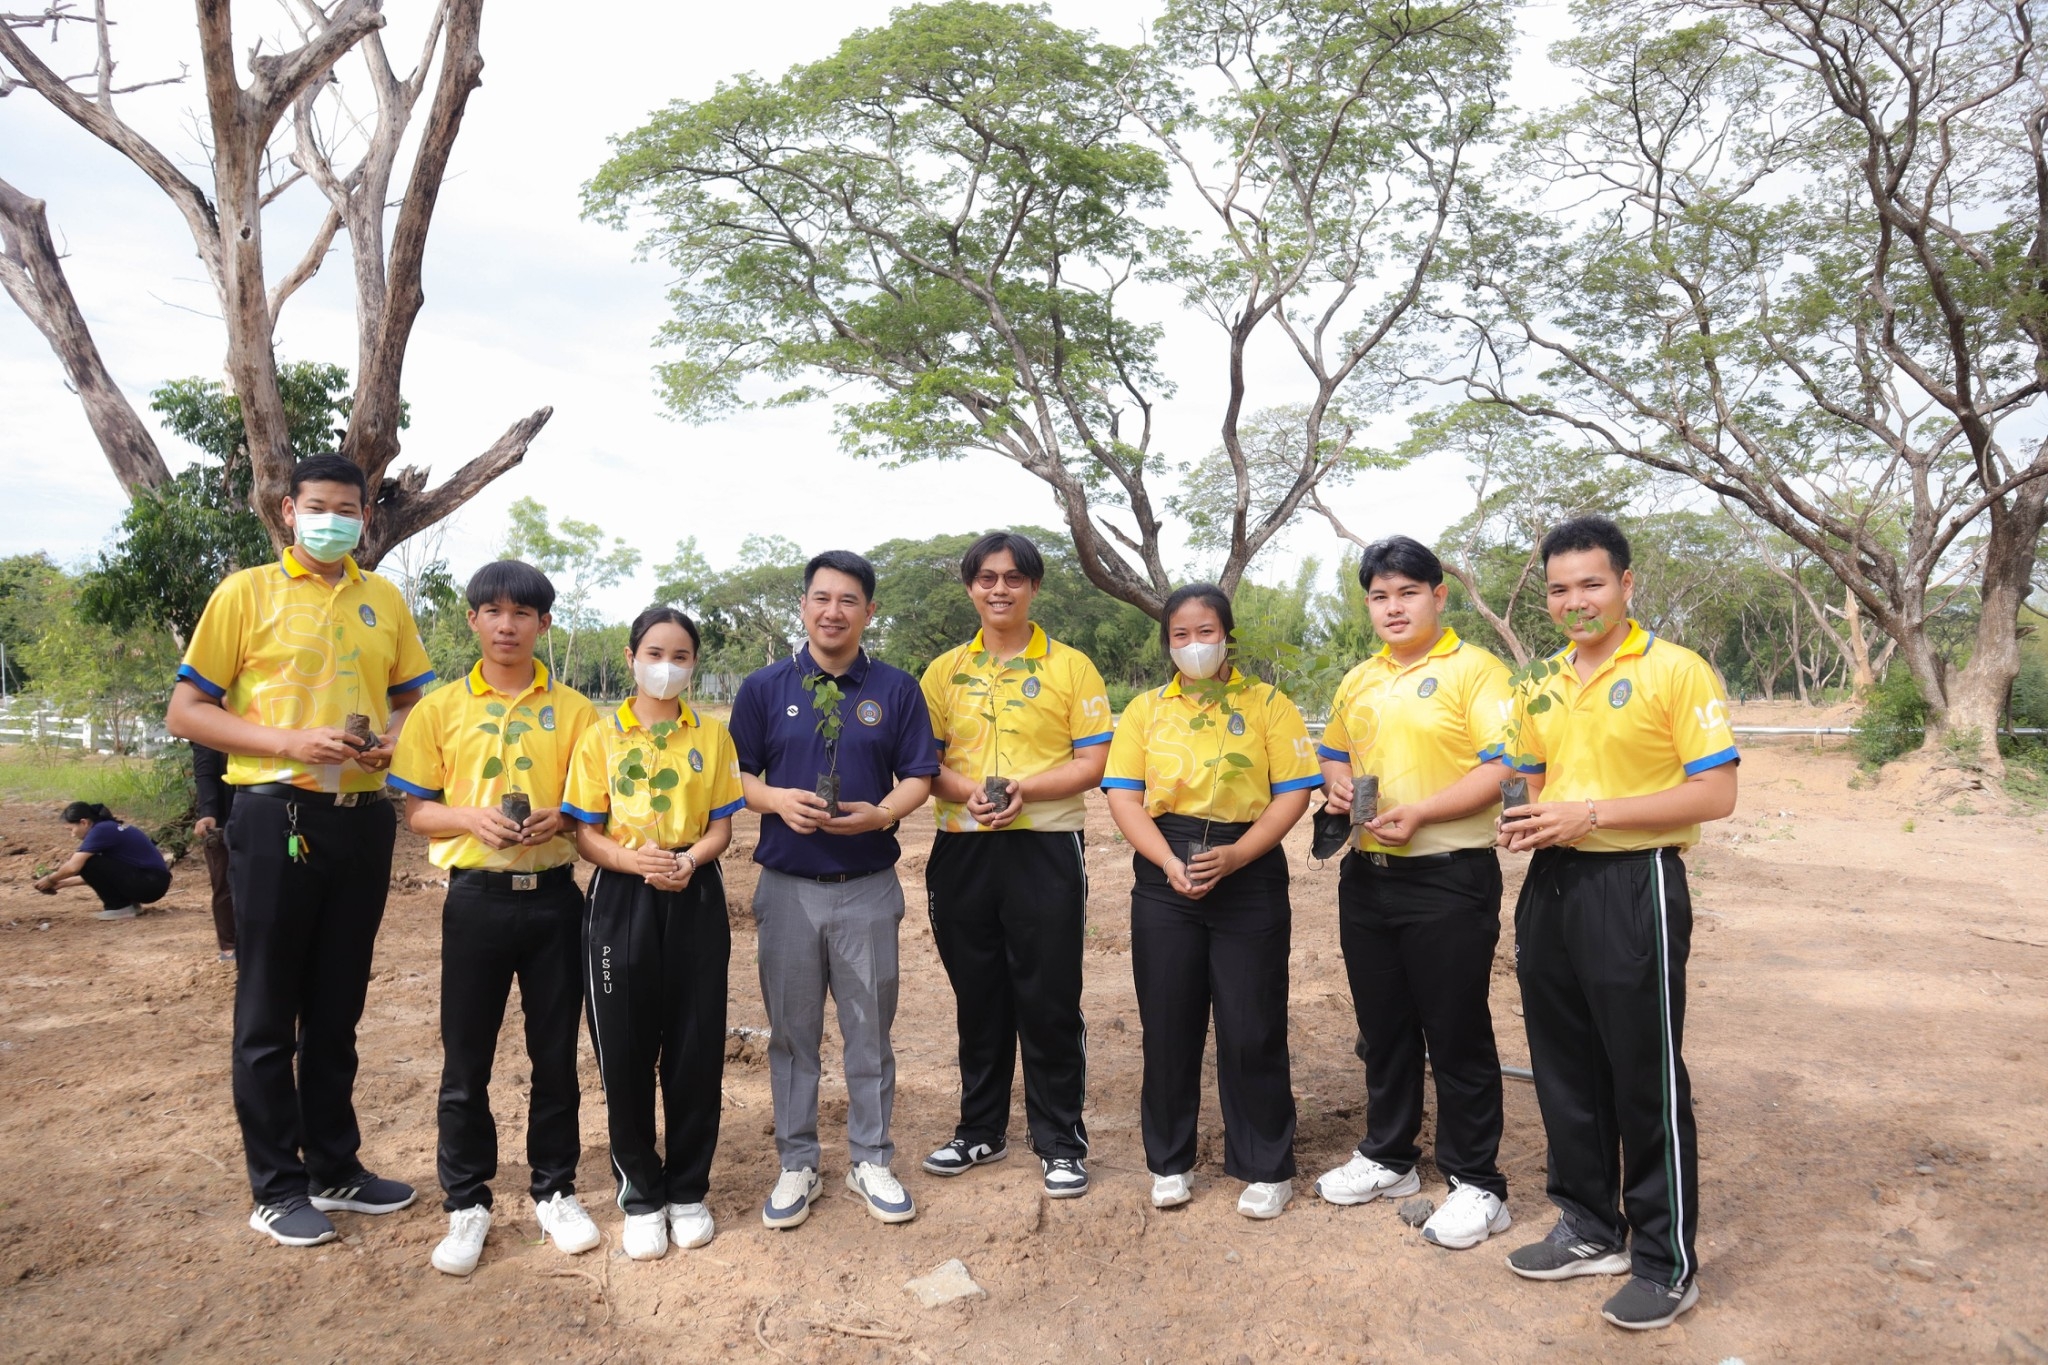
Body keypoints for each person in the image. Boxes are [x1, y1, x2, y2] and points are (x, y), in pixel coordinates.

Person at [164, 453, 435, 1249]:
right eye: (317, 505)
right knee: (267, 1009)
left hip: (361, 820)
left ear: (366, 517)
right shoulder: (244, 593)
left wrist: (394, 738)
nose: (332, 518)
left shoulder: (383, 598)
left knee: (338, 1005)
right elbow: (187, 709)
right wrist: (286, 741)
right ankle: (277, 1186)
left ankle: (335, 1168)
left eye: (347, 507)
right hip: (275, 815)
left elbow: (413, 696)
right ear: (288, 510)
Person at [1497, 515, 1738, 1332]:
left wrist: (1592, 812)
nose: (1576, 601)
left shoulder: (1676, 670)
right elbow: (1527, 779)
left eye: (1591, 583)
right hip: (1551, 882)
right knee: (1563, 1064)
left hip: (1634, 878)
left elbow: (1715, 793)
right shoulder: (1540, 682)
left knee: (1645, 1073)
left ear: (1627, 585)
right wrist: (1523, 817)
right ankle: (1589, 1225)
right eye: (1560, 588)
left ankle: (1666, 1262)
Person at [387, 561, 602, 1277]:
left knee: (555, 1056)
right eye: (494, 611)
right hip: (474, 899)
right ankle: (467, 1201)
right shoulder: (440, 708)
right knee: (465, 1059)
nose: (507, 624)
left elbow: (590, 807)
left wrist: (561, 819)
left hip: (553, 899)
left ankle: (556, 1188)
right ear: (473, 620)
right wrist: (470, 816)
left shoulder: (574, 711)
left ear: (545, 623)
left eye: (523, 613)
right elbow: (418, 808)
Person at [1313, 536, 1517, 1250]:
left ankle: (1477, 1182)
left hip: (1448, 876)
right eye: (1379, 595)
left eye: (1407, 592)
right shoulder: (1360, 677)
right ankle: (1389, 1155)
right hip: (1367, 877)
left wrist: (1426, 810)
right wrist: (1334, 780)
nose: (1393, 607)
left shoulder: (1476, 671)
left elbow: (1504, 765)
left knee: (1456, 1029)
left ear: (1439, 594)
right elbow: (1333, 745)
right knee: (1386, 1027)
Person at [729, 550, 938, 1230]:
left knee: (869, 1032)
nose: (833, 610)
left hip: (868, 886)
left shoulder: (898, 689)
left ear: (869, 611)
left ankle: (871, 1156)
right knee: (792, 1034)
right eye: (821, 597)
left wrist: (885, 812)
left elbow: (918, 774)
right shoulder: (764, 686)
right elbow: (737, 775)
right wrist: (775, 802)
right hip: (787, 888)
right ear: (803, 605)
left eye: (849, 599)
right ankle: (797, 1162)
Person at [1102, 583, 1320, 1219]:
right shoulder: (1145, 710)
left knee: (1251, 1021)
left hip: (1246, 866)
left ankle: (1265, 1163)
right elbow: (1123, 796)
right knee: (1167, 1021)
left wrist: (1237, 856)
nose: (1192, 646)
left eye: (1205, 632)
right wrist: (1167, 861)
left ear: (1228, 634)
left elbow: (1291, 794)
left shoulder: (1269, 705)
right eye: (1179, 635)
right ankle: (1169, 1160)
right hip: (1164, 872)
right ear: (1166, 642)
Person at [917, 532, 1110, 1199]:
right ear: (970, 587)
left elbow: (1092, 763)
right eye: (987, 578)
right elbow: (925, 764)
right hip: (962, 847)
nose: (1000, 589)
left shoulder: (1071, 667)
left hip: (1047, 845)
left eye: (1014, 578)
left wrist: (1028, 789)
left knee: (1049, 994)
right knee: (980, 994)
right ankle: (980, 1128)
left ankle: (1061, 1140)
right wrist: (960, 791)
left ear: (1034, 587)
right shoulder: (942, 672)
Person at [562, 607, 744, 1261]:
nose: (668, 665)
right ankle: (640, 1193)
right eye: (655, 652)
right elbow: (584, 830)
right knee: (626, 1047)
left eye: (682, 655)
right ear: (632, 654)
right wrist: (634, 860)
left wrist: (690, 860)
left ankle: (688, 1189)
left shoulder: (714, 737)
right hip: (622, 896)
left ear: (694, 663)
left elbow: (723, 824)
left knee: (696, 1046)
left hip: (694, 889)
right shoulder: (600, 736)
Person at [32, 801, 171, 919]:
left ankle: (119, 907)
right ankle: (130, 906)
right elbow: (108, 874)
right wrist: (63, 883)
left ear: (84, 822)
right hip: (153, 882)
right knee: (91, 862)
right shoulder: (108, 827)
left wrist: (50, 879)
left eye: (71, 829)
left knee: (87, 862)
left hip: (150, 883)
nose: (72, 835)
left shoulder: (100, 831)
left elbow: (73, 867)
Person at [193, 743, 237, 960]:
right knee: (224, 881)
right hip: (223, 816)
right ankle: (230, 944)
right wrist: (208, 812)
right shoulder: (208, 729)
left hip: (264, 811)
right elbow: (205, 774)